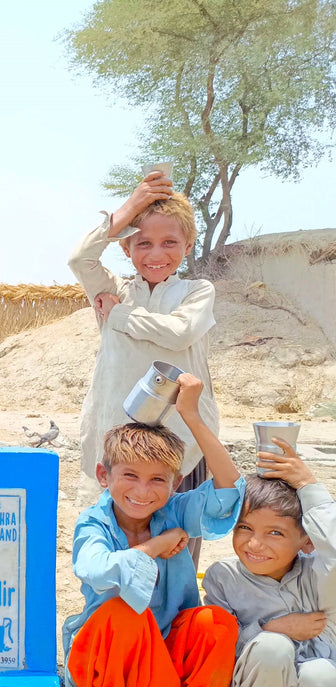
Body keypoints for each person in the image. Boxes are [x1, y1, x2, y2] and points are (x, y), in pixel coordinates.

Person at [61, 372, 244, 687]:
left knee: (216, 623)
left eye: (158, 480)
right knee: (124, 611)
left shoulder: (177, 510)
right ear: (103, 475)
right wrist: (157, 545)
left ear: (176, 483)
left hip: (166, 648)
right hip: (111, 654)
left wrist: (191, 415)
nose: (143, 492)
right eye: (129, 475)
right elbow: (96, 570)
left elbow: (227, 492)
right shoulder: (94, 522)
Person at [69, 170, 218, 568]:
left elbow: (179, 332)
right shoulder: (114, 287)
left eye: (170, 242)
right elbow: (79, 258)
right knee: (121, 536)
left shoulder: (196, 292)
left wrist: (118, 316)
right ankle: (120, 625)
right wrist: (128, 209)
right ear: (126, 248)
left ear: (188, 246)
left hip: (182, 439)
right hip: (121, 436)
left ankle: (171, 627)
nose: (156, 254)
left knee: (177, 543)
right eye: (143, 243)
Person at [202, 440, 336, 687]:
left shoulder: (319, 573)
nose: (255, 543)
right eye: (244, 528)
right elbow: (220, 647)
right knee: (273, 646)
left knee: (322, 673)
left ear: (306, 540)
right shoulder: (223, 577)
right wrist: (270, 628)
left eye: (275, 532)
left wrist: (308, 485)